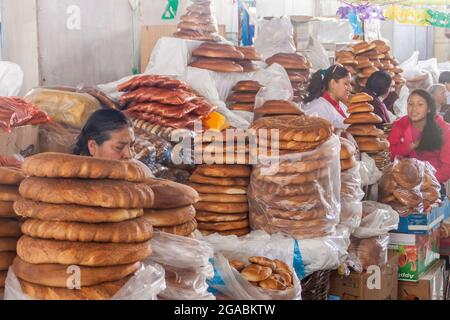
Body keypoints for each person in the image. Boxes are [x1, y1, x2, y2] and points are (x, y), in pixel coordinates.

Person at [388, 89, 450, 186]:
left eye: (420, 105)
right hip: (401, 181)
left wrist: (424, 183)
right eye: (410, 104)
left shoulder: (445, 129)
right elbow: (390, 154)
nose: (414, 109)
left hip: (433, 182)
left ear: (429, 108)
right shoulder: (400, 124)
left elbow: (447, 167)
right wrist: (408, 147)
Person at [304, 64, 352, 130]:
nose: (350, 89)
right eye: (346, 84)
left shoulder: (342, 106)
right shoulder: (318, 109)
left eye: (350, 84)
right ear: (333, 83)